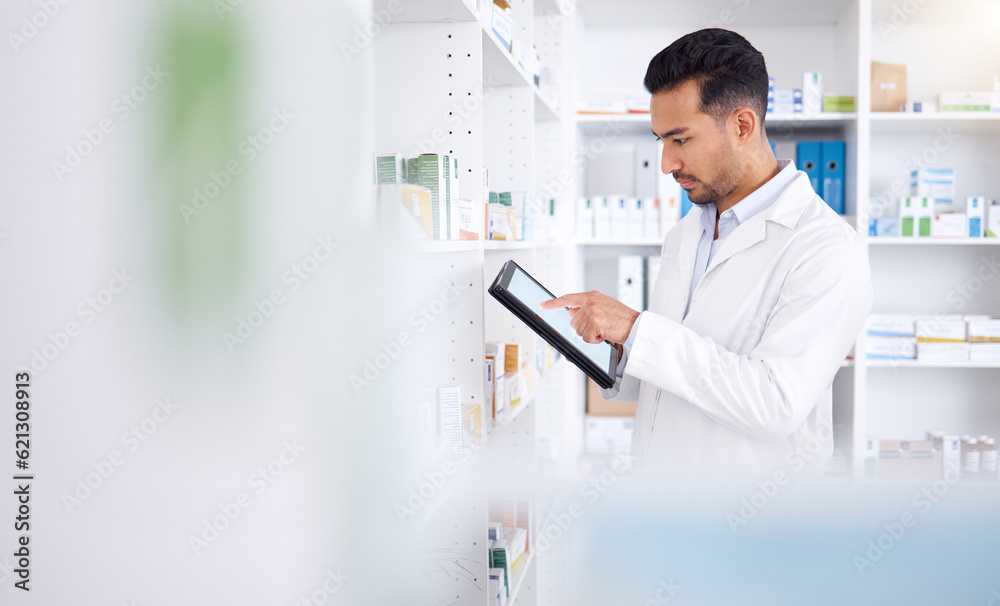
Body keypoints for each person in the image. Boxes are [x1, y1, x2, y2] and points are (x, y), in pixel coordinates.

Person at [540, 28, 871, 479]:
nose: (666, 164)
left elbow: (774, 404)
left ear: (742, 126)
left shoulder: (825, 248)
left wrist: (638, 329)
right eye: (661, 142)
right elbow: (678, 374)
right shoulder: (686, 233)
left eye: (680, 140)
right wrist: (615, 351)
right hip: (664, 507)